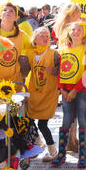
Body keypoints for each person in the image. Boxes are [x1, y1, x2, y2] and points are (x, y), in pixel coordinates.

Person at [53, 22, 86, 168]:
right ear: (69, 32)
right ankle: (61, 155)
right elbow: (60, 72)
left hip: (81, 90)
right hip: (66, 91)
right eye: (73, 30)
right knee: (66, 120)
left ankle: (82, 156)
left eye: (79, 30)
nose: (76, 32)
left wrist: (75, 90)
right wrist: (61, 90)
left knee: (82, 119)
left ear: (84, 33)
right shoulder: (62, 50)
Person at [26, 27, 61, 162]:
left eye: (47, 36)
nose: (46, 38)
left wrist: (53, 70)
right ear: (34, 39)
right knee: (29, 121)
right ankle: (37, 144)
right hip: (33, 93)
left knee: (42, 124)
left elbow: (62, 71)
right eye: (42, 36)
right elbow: (22, 71)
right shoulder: (28, 53)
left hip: (48, 93)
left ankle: (52, 151)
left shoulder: (55, 54)